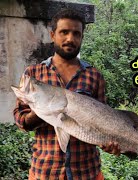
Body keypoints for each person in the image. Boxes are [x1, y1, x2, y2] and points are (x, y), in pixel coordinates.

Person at [13, 9, 120, 180]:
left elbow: (105, 119)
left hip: (88, 173)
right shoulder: (33, 74)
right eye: (64, 32)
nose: (70, 38)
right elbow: (21, 121)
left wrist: (110, 144)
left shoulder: (94, 76)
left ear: (81, 38)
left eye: (76, 33)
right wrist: (43, 111)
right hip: (45, 172)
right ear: (52, 35)